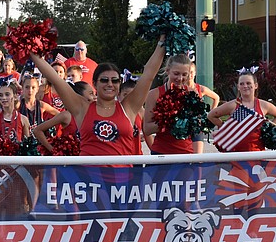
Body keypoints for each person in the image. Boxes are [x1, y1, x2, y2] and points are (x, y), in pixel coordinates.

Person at [31, 36, 165, 157]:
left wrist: (162, 41)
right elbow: (55, 79)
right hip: (88, 175)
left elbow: (148, 75)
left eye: (115, 80)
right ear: (94, 83)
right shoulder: (82, 108)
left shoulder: (128, 108)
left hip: (123, 175)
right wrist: (31, 49)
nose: (110, 84)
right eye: (104, 80)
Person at [207, 68, 276, 151]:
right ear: (238, 87)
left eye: (248, 83)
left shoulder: (264, 105)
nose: (245, 86)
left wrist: (267, 129)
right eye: (242, 84)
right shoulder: (232, 105)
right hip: (235, 152)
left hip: (257, 151)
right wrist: (224, 127)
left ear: (255, 85)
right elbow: (211, 115)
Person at [144, 54, 195, 155]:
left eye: (184, 74)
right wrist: (169, 120)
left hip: (186, 153)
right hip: (161, 153)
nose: (180, 78)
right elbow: (147, 129)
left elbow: (197, 127)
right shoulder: (154, 94)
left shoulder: (192, 93)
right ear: (167, 71)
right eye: (176, 73)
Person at [32, 81, 95, 153]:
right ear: (79, 96)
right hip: (71, 158)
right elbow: (37, 130)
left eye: (95, 94)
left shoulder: (94, 115)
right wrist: (53, 150)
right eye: (91, 94)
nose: (95, 97)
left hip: (90, 157)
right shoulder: (67, 116)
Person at [188, 62, 221, 153]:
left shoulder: (200, 89)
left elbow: (216, 97)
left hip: (197, 126)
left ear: (195, 73)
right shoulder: (180, 88)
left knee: (198, 156)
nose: (190, 75)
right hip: (183, 126)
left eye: (191, 72)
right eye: (187, 72)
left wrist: (210, 114)